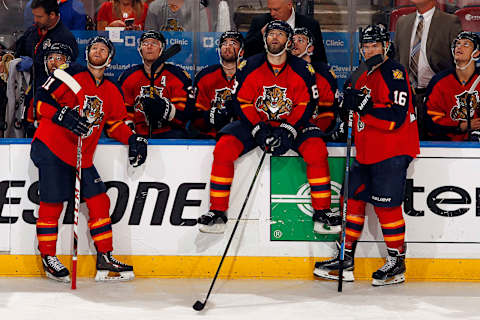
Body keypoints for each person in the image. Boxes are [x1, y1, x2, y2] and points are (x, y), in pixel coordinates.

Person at [197, 20, 340, 234]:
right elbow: (241, 101)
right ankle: (218, 211)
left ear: (289, 41)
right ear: (265, 39)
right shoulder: (249, 65)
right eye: (271, 33)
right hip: (256, 123)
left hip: (292, 124)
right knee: (224, 148)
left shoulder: (304, 69)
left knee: (317, 150)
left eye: (280, 34)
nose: (274, 37)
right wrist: (257, 128)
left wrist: (288, 129)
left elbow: (307, 104)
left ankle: (322, 211)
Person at [31, 36, 148, 282]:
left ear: (110, 57)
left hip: (81, 157)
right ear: (87, 54)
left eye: (103, 48)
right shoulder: (70, 74)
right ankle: (48, 257)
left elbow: (115, 124)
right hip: (52, 147)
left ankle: (104, 257)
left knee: (99, 201)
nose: (97, 51)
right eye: (94, 47)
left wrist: (132, 139)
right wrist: (62, 115)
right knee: (52, 205)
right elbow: (39, 104)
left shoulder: (111, 90)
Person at [313, 25, 420, 286]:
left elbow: (396, 118)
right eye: (366, 45)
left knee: (387, 207)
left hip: (392, 151)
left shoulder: (395, 73)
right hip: (366, 151)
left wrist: (364, 106)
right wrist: (345, 108)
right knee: (351, 201)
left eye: (375, 45)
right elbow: (351, 114)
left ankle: (396, 263)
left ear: (386, 46)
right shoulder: (359, 75)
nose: (369, 49)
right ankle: (345, 258)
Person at [290, 27, 340, 233]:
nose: (294, 43)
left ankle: (322, 210)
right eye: (292, 39)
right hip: (282, 129)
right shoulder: (280, 68)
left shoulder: (324, 73)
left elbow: (329, 112)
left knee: (317, 152)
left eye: (300, 40)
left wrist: (315, 129)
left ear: (310, 47)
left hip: (307, 131)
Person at [394, 0, 461, 139]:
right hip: (408, 97)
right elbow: (397, 60)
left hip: (436, 97)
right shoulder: (402, 22)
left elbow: (457, 62)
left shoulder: (450, 22)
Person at [15, 0, 79, 137]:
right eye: (34, 16)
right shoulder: (33, 31)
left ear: (52, 15)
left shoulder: (65, 38)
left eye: (39, 16)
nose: (35, 19)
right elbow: (18, 50)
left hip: (52, 101)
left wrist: (34, 65)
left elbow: (64, 74)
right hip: (31, 96)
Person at [118, 30, 192, 138]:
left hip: (169, 136)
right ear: (140, 49)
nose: (149, 46)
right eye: (145, 43)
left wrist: (165, 109)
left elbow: (185, 115)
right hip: (138, 136)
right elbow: (122, 111)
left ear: (161, 49)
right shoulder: (128, 76)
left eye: (154, 43)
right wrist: (130, 131)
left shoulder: (177, 76)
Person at [424, 32, 480, 141]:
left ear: (476, 53)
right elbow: (430, 120)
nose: (459, 47)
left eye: (466, 44)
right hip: (445, 145)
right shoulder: (439, 81)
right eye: (457, 44)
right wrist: (461, 126)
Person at [190, 31, 244, 138]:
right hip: (209, 135)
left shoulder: (249, 75)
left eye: (233, 43)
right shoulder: (205, 76)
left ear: (241, 52)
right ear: (219, 50)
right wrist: (210, 116)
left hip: (239, 136)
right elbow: (196, 116)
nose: (227, 47)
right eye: (224, 43)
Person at [244, 0, 327, 64]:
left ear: (289, 5)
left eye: (276, 10)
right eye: (270, 9)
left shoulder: (310, 25)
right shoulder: (260, 22)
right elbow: (246, 53)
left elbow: (320, 59)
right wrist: (261, 35)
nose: (272, 13)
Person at [145, 0, 214, 32]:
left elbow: (201, 41)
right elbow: (149, 37)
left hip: (190, 57)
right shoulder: (154, 7)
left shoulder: (199, 8)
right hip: (160, 57)